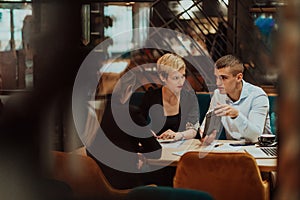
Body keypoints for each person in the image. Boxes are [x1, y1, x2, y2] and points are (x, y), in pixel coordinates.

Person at [86, 70, 162, 189]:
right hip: (124, 186)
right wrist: (138, 152)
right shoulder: (131, 113)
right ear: (128, 88)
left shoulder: (91, 111)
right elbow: (156, 152)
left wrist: (133, 151)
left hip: (94, 183)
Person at [200, 54, 272, 143]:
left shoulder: (258, 96)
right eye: (217, 77)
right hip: (232, 146)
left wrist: (236, 115)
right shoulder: (218, 94)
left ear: (239, 77)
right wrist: (206, 135)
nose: (218, 83)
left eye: (223, 78)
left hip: (259, 147)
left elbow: (255, 137)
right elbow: (206, 124)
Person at [139, 53, 199, 141]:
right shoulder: (151, 96)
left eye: (183, 76)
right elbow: (139, 122)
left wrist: (178, 135)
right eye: (176, 78)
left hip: (183, 146)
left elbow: (193, 130)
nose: (181, 82)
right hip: (158, 146)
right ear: (162, 77)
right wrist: (146, 131)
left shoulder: (190, 97)